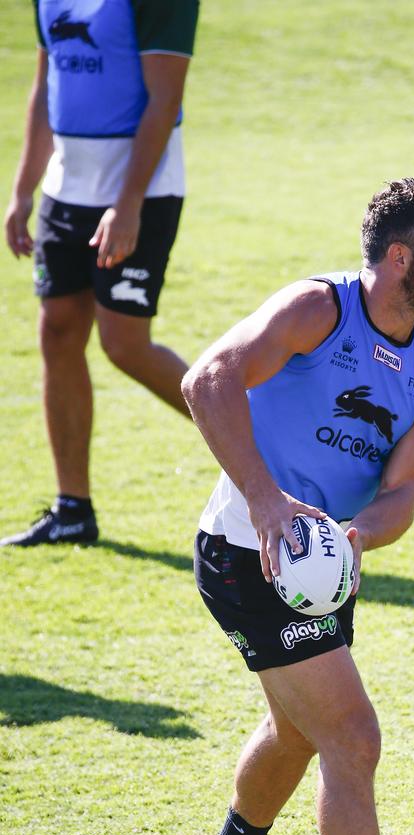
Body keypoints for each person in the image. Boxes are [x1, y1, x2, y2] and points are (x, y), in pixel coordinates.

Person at [181, 177, 414, 835]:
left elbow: (402, 497)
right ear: (400, 258)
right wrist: (268, 499)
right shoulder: (318, 310)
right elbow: (209, 380)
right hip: (247, 551)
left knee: (299, 729)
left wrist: (355, 539)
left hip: (320, 568)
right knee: (351, 733)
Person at [2, 0, 200, 547]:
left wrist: (129, 203)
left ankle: (265, 445)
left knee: (125, 344)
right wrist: (23, 189)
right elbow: (46, 89)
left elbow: (165, 98)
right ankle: (73, 509)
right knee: (57, 331)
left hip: (142, 190)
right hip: (66, 191)